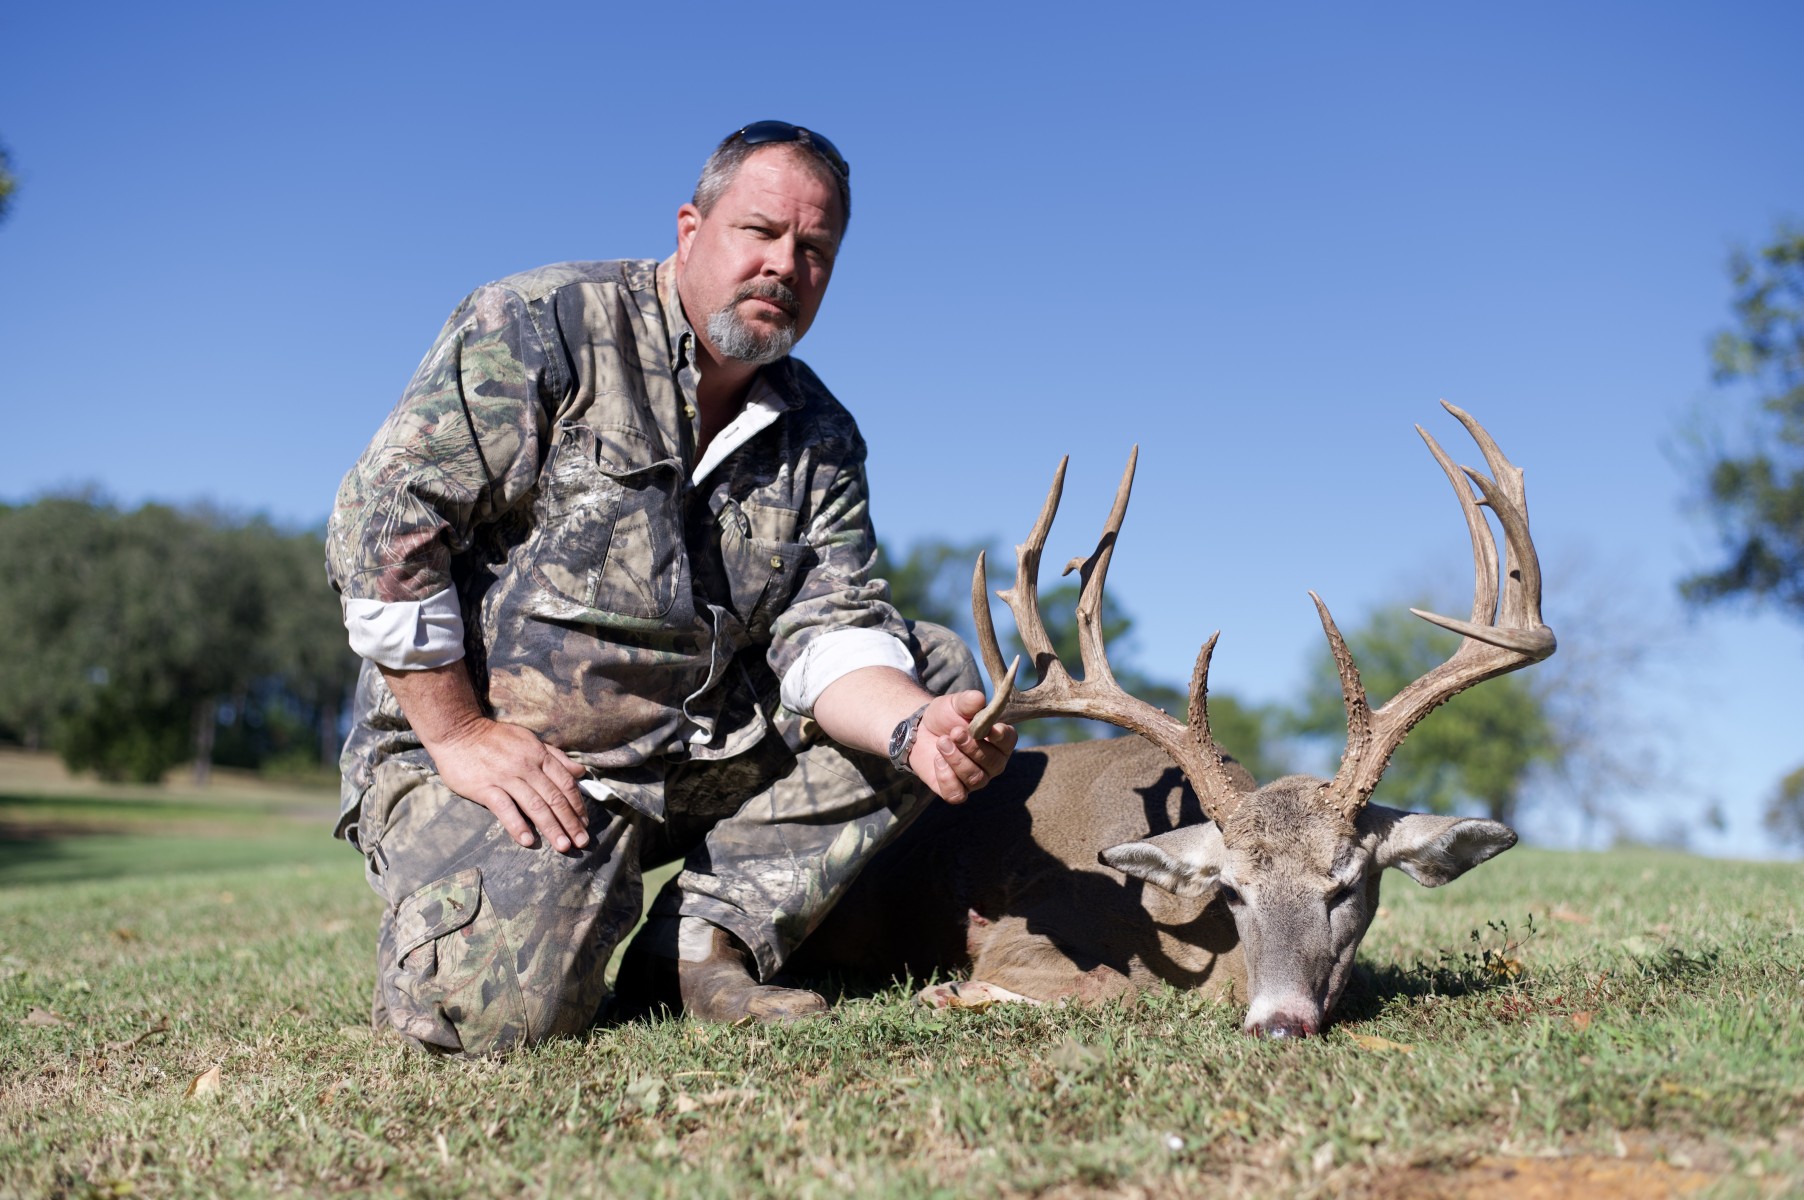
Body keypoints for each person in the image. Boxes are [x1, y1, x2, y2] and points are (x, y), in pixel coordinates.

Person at [326, 121, 1017, 1057]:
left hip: (687, 758)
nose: (785, 265)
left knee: (927, 672)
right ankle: (535, 899)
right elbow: (383, 522)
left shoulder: (820, 435)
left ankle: (697, 945)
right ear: (691, 230)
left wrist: (913, 729)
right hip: (500, 760)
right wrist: (456, 733)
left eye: (815, 250)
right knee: (490, 1023)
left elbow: (831, 630)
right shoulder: (541, 325)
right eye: (760, 232)